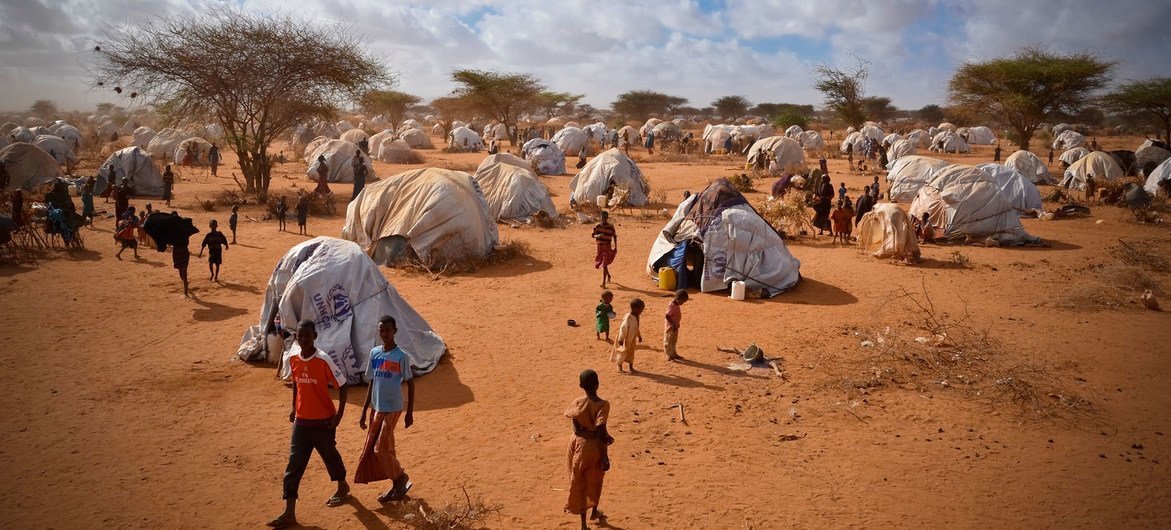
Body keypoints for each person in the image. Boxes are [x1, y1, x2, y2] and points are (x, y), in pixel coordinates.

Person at [267, 320, 350, 529]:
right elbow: (296, 384)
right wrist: (294, 408)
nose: (304, 340)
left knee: (330, 455)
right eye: (300, 336)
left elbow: (343, 384)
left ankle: (342, 486)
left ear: (315, 336)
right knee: (294, 466)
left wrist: (339, 416)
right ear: (297, 338)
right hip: (301, 422)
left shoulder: (323, 360)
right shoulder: (293, 358)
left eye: (308, 336)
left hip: (323, 422)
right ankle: (289, 512)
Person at [355, 316, 416, 503]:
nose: (384, 334)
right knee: (388, 448)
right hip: (378, 408)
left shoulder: (401, 356)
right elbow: (371, 382)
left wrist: (409, 413)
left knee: (379, 449)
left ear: (395, 331)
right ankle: (395, 485)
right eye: (381, 330)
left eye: (387, 330)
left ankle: (400, 478)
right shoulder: (374, 354)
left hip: (394, 408)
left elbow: (411, 384)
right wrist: (364, 411)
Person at [564, 369, 612, 530]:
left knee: (580, 480)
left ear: (580, 386)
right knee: (596, 479)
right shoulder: (603, 405)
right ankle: (594, 511)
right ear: (598, 384)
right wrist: (605, 453)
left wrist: (588, 433)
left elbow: (577, 430)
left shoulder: (577, 402)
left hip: (577, 445)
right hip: (594, 448)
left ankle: (584, 524)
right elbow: (600, 431)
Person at [611, 298, 643, 373]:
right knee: (622, 352)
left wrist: (639, 335)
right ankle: (619, 367)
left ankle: (631, 367)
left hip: (632, 339)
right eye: (641, 309)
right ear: (635, 309)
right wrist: (621, 339)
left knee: (631, 352)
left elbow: (636, 327)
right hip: (625, 339)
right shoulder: (628, 317)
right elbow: (623, 328)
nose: (642, 311)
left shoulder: (637, 316)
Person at [591, 211, 617, 288]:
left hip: (607, 247)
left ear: (607, 218)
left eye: (605, 218)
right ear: (601, 218)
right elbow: (593, 235)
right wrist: (598, 235)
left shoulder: (611, 227)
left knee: (604, 264)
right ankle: (608, 275)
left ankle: (603, 283)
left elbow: (614, 236)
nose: (604, 219)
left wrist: (615, 246)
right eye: (602, 218)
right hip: (600, 247)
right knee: (603, 264)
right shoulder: (598, 226)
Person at [171, 213, 193, 297]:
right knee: (183, 270)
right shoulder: (185, 230)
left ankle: (185, 287)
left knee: (181, 270)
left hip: (177, 252)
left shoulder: (172, 231)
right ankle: (185, 284)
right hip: (184, 251)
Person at [664, 289, 688, 362]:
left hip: (675, 326)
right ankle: (669, 355)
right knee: (668, 340)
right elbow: (667, 315)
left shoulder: (676, 304)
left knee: (674, 340)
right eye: (682, 301)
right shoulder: (672, 305)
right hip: (670, 327)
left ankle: (674, 353)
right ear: (677, 298)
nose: (682, 303)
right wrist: (673, 324)